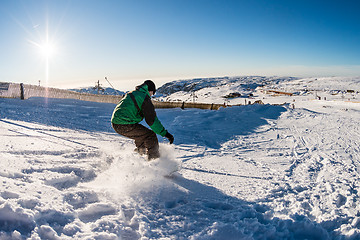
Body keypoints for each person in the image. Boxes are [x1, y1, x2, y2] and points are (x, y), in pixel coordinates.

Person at [111, 80, 174, 160]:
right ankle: (155, 162)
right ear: (150, 90)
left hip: (116, 123)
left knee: (142, 136)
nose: (151, 95)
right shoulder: (144, 97)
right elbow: (152, 121)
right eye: (152, 93)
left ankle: (139, 156)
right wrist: (165, 134)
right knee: (150, 135)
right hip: (124, 124)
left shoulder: (132, 93)